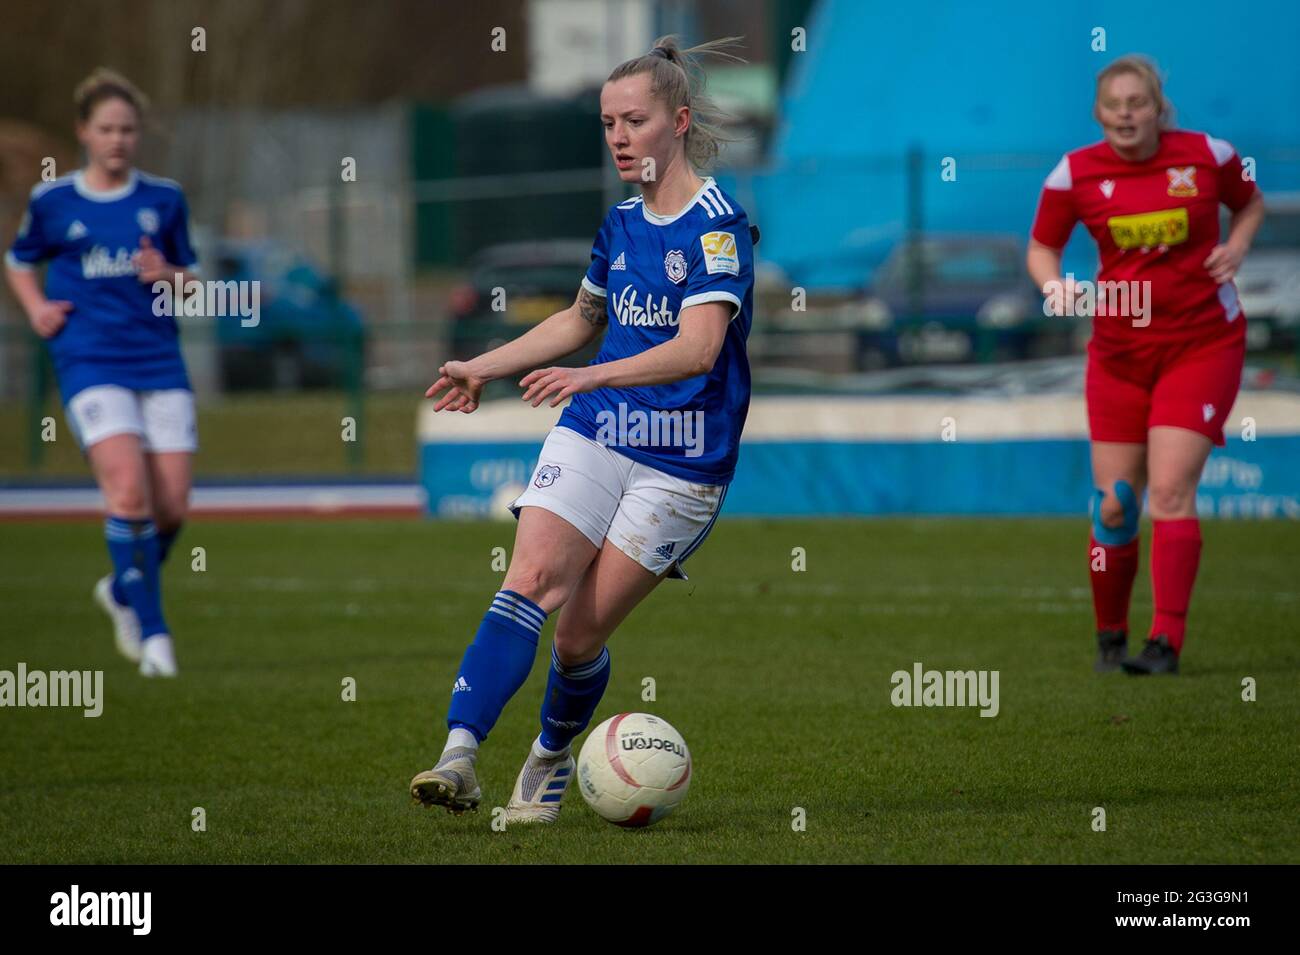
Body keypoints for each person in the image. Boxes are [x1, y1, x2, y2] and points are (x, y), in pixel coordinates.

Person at [409, 36, 754, 821]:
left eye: (634, 120)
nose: (619, 137)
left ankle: (549, 757)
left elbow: (698, 348)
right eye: (607, 123)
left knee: (576, 639)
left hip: (683, 461)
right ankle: (458, 755)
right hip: (598, 427)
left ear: (680, 121)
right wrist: (484, 366)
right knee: (528, 580)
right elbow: (580, 317)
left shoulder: (718, 227)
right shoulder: (622, 222)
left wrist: (593, 371)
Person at [1027, 54, 1265, 675]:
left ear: (1158, 108)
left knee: (1168, 491)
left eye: (1138, 103)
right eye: (1115, 105)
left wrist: (1236, 245)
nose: (1126, 114)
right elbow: (1042, 248)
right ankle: (1111, 636)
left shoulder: (1208, 155)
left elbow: (1250, 204)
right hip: (1118, 353)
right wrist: (1053, 285)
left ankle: (1165, 643)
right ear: (1098, 113)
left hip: (1201, 345)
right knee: (1116, 504)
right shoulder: (1072, 173)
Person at [5, 68, 201, 677]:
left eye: (128, 129)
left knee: (170, 508)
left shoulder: (163, 199)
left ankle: (119, 590)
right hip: (88, 359)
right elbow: (17, 261)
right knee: (127, 492)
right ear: (83, 132)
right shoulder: (53, 201)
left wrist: (166, 275)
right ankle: (155, 637)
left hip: (158, 359)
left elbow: (192, 284)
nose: (118, 139)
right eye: (106, 129)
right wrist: (37, 308)